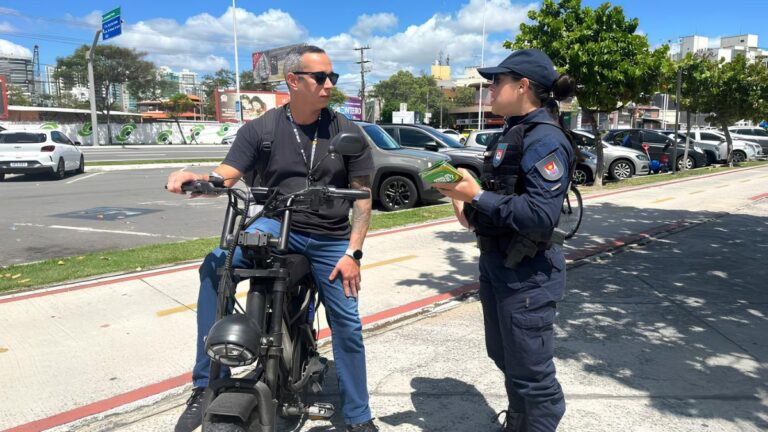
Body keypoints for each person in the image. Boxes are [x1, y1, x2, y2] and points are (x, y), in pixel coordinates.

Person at [166, 45, 379, 432]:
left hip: (331, 238)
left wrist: (354, 253)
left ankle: (359, 416)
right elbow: (227, 174)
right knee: (218, 263)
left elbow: (363, 200)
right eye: (321, 77)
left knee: (348, 323)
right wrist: (197, 179)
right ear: (293, 81)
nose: (329, 84)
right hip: (276, 225)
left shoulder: (348, 131)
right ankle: (203, 384)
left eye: (333, 77)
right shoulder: (261, 129)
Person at [432, 48, 576, 432]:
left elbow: (540, 215)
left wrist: (476, 195)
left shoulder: (545, 139)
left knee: (533, 376)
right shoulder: (513, 132)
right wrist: (462, 197)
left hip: (528, 274)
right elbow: (499, 202)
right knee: (505, 358)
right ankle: (518, 423)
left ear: (523, 86)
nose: (490, 89)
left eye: (497, 81)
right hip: (497, 265)